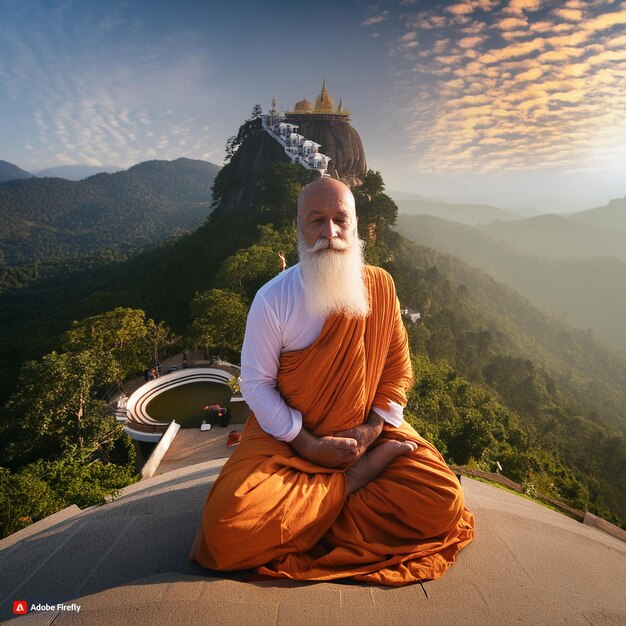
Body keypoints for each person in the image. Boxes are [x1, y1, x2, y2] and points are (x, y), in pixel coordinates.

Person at [189, 177, 474, 586]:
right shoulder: (273, 300)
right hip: (287, 437)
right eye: (316, 221)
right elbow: (256, 387)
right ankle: (351, 483)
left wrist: (369, 431)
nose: (330, 232)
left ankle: (305, 515)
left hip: (366, 431)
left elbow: (396, 372)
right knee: (226, 527)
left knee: (442, 500)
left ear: (356, 226)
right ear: (298, 227)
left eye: (340, 219)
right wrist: (310, 445)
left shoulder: (380, 286)